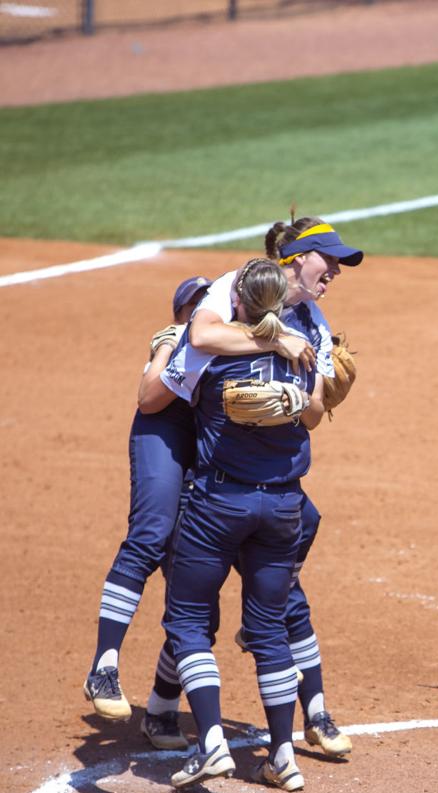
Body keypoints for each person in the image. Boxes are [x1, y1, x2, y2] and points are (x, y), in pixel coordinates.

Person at [142, 216, 361, 759]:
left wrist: (308, 391)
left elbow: (313, 412)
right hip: (204, 471)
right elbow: (200, 337)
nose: (334, 270)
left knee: (286, 588)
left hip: (266, 482)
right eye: (326, 260)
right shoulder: (232, 291)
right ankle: (163, 705)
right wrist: (274, 340)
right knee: (197, 607)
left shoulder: (313, 317)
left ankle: (316, 713)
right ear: (294, 260)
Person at [83, 276, 309, 745]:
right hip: (165, 431)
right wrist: (167, 355)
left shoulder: (244, 341)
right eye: (190, 308)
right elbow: (149, 399)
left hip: (214, 459)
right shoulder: (192, 347)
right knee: (151, 534)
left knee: (202, 600)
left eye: (203, 305)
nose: (199, 314)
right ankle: (104, 665)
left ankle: (164, 708)